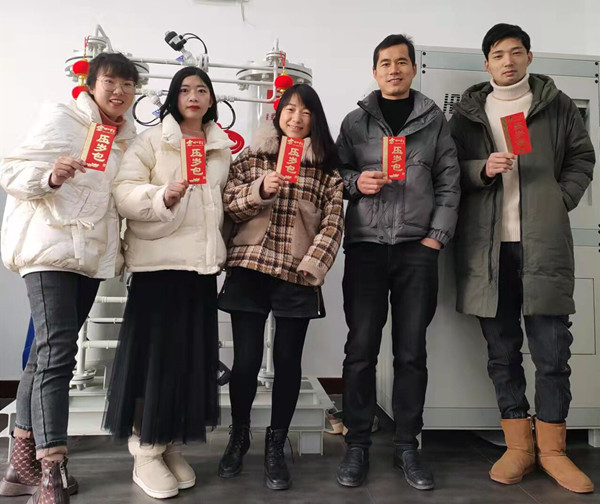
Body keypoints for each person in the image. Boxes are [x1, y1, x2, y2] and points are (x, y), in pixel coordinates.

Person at [449, 23, 595, 494]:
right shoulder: (469, 114)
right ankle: (519, 447)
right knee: (502, 352)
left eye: (515, 52)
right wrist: (481, 169)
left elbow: (582, 158)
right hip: (488, 248)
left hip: (543, 242)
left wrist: (558, 199)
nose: (507, 61)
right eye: (498, 54)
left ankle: (553, 451)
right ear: (486, 63)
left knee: (553, 352)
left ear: (529, 57)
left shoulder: (557, 105)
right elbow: (448, 171)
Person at [0, 53, 139, 503]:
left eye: (127, 85)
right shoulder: (61, 118)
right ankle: (52, 468)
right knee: (59, 352)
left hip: (90, 257)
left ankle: (20, 465)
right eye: (110, 82)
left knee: (47, 353)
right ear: (91, 84)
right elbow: (10, 171)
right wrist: (50, 176)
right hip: (50, 248)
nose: (118, 92)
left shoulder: (126, 140)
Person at [335, 34, 460, 491]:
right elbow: (334, 175)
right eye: (385, 63)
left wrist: (434, 240)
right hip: (366, 248)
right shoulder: (354, 122)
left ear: (413, 69)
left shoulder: (434, 122)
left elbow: (449, 182)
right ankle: (357, 445)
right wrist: (356, 183)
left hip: (416, 251)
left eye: (402, 62)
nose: (394, 69)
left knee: (411, 352)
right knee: (360, 349)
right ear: (375, 72)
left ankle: (408, 444)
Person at [102, 66, 233, 499]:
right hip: (158, 269)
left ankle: (170, 442)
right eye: (185, 89)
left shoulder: (220, 149)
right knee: (154, 361)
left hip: (200, 268)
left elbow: (222, 206)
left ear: (211, 100)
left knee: (189, 360)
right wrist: (162, 196)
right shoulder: (151, 140)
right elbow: (123, 191)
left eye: (202, 90)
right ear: (174, 97)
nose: (193, 96)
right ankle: (145, 449)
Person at [217, 83, 344, 490]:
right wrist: (260, 190)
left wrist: (314, 265)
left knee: (288, 362)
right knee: (246, 361)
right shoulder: (252, 157)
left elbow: (333, 224)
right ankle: (239, 436)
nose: (296, 118)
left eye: (306, 111)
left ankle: (276, 444)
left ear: (315, 120)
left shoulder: (327, 171)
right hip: (250, 267)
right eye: (290, 109)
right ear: (278, 114)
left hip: (297, 273)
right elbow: (228, 204)